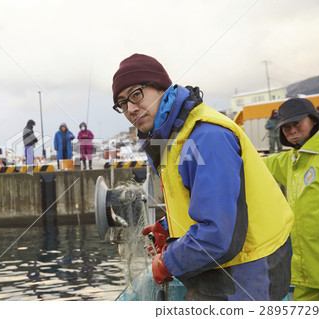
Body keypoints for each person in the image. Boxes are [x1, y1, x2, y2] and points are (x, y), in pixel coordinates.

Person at [111, 53, 294, 301]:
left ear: (161, 88)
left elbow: (217, 236)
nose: (131, 109)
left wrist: (166, 262)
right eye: (122, 104)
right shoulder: (174, 136)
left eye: (136, 94)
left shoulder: (205, 137)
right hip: (230, 265)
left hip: (249, 270)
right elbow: (203, 201)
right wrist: (169, 227)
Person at [263, 98, 319, 301]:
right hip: (305, 275)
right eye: (286, 127)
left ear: (313, 121)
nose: (292, 131)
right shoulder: (290, 161)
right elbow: (254, 164)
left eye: (297, 124)